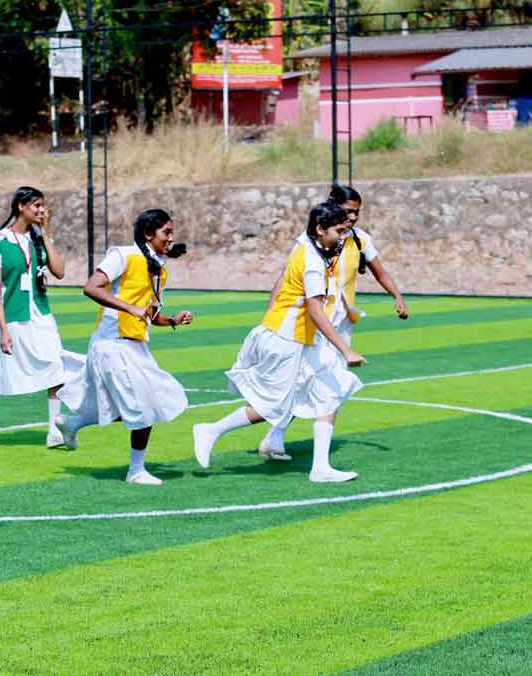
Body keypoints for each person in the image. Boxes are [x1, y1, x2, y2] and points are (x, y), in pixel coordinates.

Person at [192, 201, 365, 483]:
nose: (342, 237)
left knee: (331, 390)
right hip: (287, 340)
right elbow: (315, 311)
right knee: (273, 406)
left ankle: (320, 468)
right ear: (320, 229)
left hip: (297, 339)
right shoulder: (312, 261)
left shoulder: (308, 249)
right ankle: (211, 430)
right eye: (338, 231)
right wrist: (345, 349)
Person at [259, 183, 409, 461]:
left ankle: (280, 440)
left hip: (341, 323)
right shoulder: (310, 241)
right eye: (348, 211)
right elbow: (285, 277)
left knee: (320, 384)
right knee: (317, 384)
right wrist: (272, 312)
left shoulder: (360, 240)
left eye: (357, 212)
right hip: (314, 321)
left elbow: (380, 271)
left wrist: (397, 296)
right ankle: (285, 443)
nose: (353, 217)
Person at [57, 209, 192, 485]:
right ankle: (136, 471)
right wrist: (129, 308)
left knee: (142, 403)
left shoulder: (158, 269)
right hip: (111, 344)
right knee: (144, 403)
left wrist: (173, 320)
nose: (170, 238)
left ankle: (74, 423)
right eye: (166, 232)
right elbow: (92, 287)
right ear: (148, 234)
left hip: (134, 345)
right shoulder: (123, 255)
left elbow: (150, 313)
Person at [0, 186, 83, 448]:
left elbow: (60, 272)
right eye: (36, 205)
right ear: (21, 206)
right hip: (11, 319)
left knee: (56, 369)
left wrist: (46, 233)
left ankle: (54, 432)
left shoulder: (37, 239)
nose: (42, 210)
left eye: (43, 205)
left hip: (41, 316)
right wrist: (3, 330)